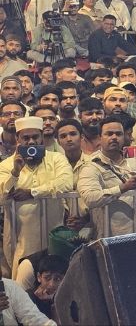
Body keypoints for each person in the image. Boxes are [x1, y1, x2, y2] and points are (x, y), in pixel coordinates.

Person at [0, 117, 73, 274]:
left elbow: (66, 183)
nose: (31, 142)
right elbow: (2, 194)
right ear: (17, 139)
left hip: (54, 238)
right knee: (22, 283)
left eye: (35, 137)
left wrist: (33, 192)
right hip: (21, 240)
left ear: (42, 137)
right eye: (26, 138)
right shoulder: (6, 165)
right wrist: (15, 172)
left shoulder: (57, 159)